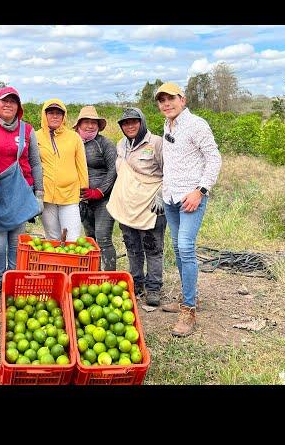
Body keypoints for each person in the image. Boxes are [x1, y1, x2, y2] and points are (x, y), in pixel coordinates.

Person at [156, 82, 222, 337]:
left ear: (182, 99)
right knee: (177, 248)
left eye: (170, 99)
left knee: (185, 247)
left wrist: (201, 190)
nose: (166, 104)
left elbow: (214, 158)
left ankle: (189, 310)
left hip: (191, 197)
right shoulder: (168, 125)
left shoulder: (197, 124)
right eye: (162, 101)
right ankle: (187, 297)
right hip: (171, 196)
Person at [0, 86, 44, 297]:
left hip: (20, 191)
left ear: (19, 107)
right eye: (3, 101)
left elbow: (35, 163)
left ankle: (13, 279)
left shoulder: (27, 130)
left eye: (13, 101)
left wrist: (39, 193)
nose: (8, 105)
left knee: (16, 240)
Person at [106, 107, 165, 307]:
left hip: (151, 205)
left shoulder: (157, 143)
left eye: (134, 121)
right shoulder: (121, 145)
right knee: (132, 246)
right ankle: (136, 283)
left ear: (142, 122)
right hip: (127, 205)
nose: (129, 126)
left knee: (153, 248)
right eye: (125, 123)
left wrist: (162, 195)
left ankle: (154, 288)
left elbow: (171, 172)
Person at [36, 99, 88, 242]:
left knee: (72, 238)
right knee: (53, 238)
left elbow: (81, 165)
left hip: (69, 194)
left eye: (59, 113)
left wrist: (84, 191)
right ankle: (55, 265)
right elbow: (32, 164)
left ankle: (70, 264)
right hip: (46, 196)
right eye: (51, 113)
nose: (55, 116)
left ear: (64, 116)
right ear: (44, 115)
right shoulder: (36, 136)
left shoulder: (74, 137)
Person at [74, 105, 117, 270]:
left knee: (103, 237)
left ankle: (110, 277)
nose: (90, 125)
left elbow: (114, 169)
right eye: (86, 122)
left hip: (103, 200)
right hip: (82, 200)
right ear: (79, 124)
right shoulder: (73, 141)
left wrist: (100, 191)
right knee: (90, 238)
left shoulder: (104, 143)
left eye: (94, 122)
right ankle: (93, 274)